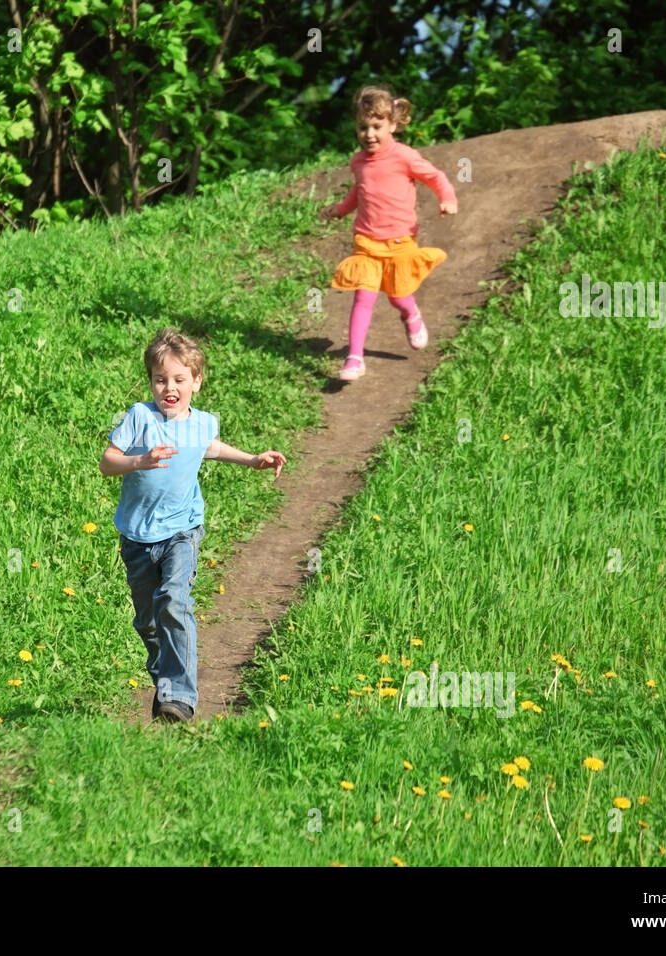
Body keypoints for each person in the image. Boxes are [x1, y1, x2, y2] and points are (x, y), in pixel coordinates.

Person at [99, 328, 287, 723]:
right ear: (150, 381)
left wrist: (252, 459)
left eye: (179, 379)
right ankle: (167, 686)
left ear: (196, 382)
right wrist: (139, 461)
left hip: (182, 530)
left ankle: (180, 699)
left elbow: (211, 449)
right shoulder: (139, 417)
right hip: (136, 536)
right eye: (160, 379)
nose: (169, 387)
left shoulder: (203, 423)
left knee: (174, 601)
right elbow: (107, 462)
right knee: (149, 623)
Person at [320, 85, 458, 381]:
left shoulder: (404, 156)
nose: (369, 134)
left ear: (393, 125)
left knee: (398, 295)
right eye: (362, 127)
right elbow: (360, 191)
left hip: (400, 242)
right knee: (363, 298)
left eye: (377, 127)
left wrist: (447, 199)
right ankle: (355, 358)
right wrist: (341, 210)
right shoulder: (358, 162)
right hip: (367, 244)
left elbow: (436, 177)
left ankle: (412, 315)